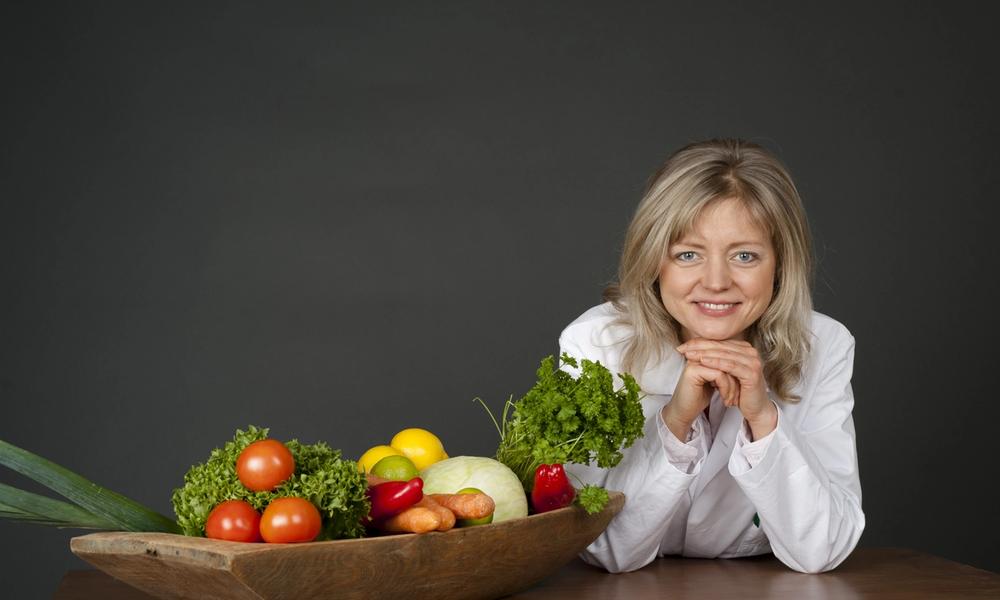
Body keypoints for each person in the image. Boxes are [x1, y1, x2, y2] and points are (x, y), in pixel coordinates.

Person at [560, 139, 864, 574]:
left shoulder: (825, 345)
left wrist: (764, 418)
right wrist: (676, 419)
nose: (717, 281)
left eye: (745, 255)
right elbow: (603, 548)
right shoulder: (596, 344)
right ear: (653, 262)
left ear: (780, 265)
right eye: (688, 255)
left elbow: (823, 548)